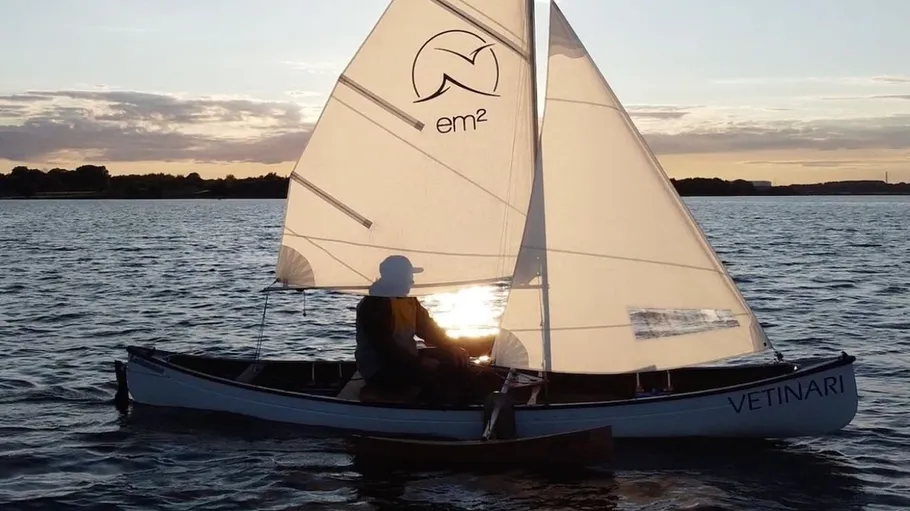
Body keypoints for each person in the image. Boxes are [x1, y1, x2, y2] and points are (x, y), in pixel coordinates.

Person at [354, 255, 494, 403]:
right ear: (395, 277)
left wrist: (451, 347)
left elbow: (427, 328)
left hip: (405, 360)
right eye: (409, 276)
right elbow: (385, 348)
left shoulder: (409, 300)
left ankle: (469, 401)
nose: (412, 281)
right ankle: (434, 410)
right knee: (437, 375)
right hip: (379, 368)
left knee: (453, 360)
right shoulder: (374, 305)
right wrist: (418, 363)